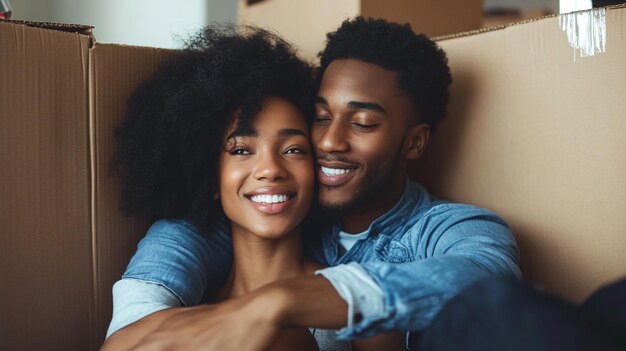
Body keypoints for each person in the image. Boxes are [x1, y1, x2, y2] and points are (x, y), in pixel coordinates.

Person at [104, 18, 521, 350]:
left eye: (362, 123)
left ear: (415, 141)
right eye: (320, 117)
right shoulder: (235, 225)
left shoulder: (453, 230)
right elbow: (179, 245)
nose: (328, 141)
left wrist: (279, 304)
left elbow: (483, 283)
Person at [102, 25, 403, 351]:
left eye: (293, 150)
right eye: (242, 150)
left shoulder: (356, 306)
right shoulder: (185, 303)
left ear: (316, 171)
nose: (271, 169)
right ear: (212, 178)